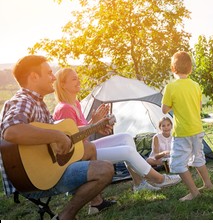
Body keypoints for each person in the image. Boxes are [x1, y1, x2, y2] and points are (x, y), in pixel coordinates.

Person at [0, 55, 115, 220]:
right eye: (48, 73)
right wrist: (56, 135)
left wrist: (94, 127)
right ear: (33, 77)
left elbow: (64, 131)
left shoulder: (38, 103)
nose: (53, 77)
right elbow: (11, 131)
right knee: (106, 169)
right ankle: (64, 217)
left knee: (88, 148)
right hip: (33, 180)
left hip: (45, 169)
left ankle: (96, 202)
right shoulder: (23, 101)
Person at [52, 68, 181, 192]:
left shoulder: (75, 104)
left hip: (87, 146)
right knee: (127, 151)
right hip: (80, 154)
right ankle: (159, 179)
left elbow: (80, 131)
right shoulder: (64, 108)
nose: (79, 81)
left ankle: (139, 184)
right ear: (63, 85)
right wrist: (95, 125)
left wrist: (96, 123)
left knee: (126, 137)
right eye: (74, 79)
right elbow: (71, 138)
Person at [162, 51, 213, 201]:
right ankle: (208, 184)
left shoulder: (170, 87)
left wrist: (173, 104)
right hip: (197, 129)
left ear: (173, 68)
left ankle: (194, 192)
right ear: (190, 69)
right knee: (198, 158)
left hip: (182, 131)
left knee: (177, 163)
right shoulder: (196, 85)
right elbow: (199, 106)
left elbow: (164, 109)